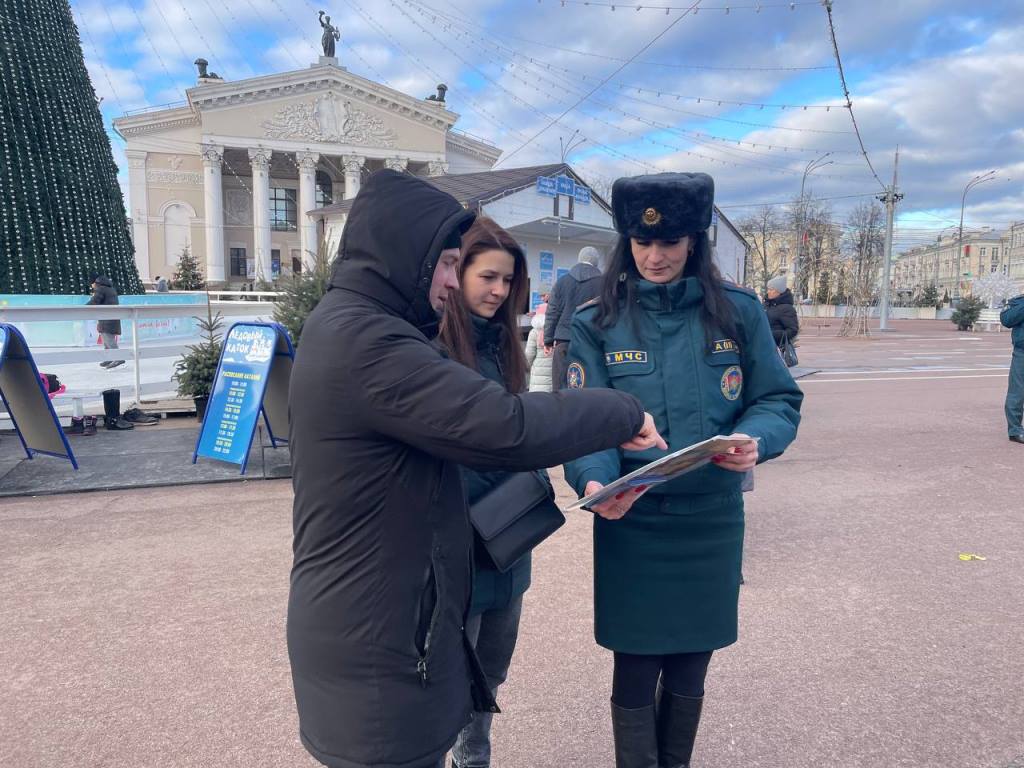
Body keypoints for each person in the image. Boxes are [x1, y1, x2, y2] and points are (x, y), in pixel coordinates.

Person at [287, 169, 666, 768]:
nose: (452, 280)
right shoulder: (371, 344)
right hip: (378, 647)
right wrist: (624, 410)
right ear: (403, 255)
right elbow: (505, 427)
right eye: (447, 264)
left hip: (382, 623)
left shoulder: (352, 326)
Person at [564, 172, 803, 768]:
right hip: (634, 524)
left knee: (693, 666)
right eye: (642, 243)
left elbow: (777, 398)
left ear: (694, 240)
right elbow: (584, 421)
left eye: (669, 242)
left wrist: (756, 439)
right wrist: (594, 481)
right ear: (626, 242)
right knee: (634, 666)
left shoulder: (738, 313)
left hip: (710, 522)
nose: (655, 256)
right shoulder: (597, 321)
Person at [437, 217, 539, 767]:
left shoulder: (506, 345)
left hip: (509, 543)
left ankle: (474, 758)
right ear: (458, 273)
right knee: (450, 681)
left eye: (508, 280)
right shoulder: (431, 347)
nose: (499, 291)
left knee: (491, 677)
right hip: (460, 547)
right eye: (488, 277)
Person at [544, 246, 603, 389]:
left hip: (563, 340)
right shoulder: (604, 283)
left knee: (560, 386)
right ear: (596, 262)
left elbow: (552, 312)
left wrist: (548, 339)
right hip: (591, 341)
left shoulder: (562, 281)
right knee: (588, 387)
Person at [1000, 293, 1024, 444]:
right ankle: (1015, 431)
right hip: (1022, 353)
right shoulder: (1018, 301)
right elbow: (1006, 320)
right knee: (1017, 391)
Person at [87, 272, 124, 369]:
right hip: (109, 317)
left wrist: (84, 308)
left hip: (107, 318)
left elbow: (95, 301)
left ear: (94, 282)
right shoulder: (109, 288)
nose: (91, 286)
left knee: (108, 339)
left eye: (91, 284)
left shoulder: (100, 289)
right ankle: (110, 357)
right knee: (106, 340)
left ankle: (118, 358)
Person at [764, 275, 799, 346]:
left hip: (776, 348)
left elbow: (792, 330)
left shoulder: (787, 309)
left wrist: (771, 334)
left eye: (771, 289)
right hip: (764, 345)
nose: (768, 292)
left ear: (778, 291)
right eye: (768, 289)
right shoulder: (767, 305)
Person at [524, 312, 553, 393]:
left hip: (538, 375)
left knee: (537, 397)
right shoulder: (557, 330)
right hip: (556, 374)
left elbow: (529, 354)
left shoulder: (534, 332)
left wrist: (527, 367)